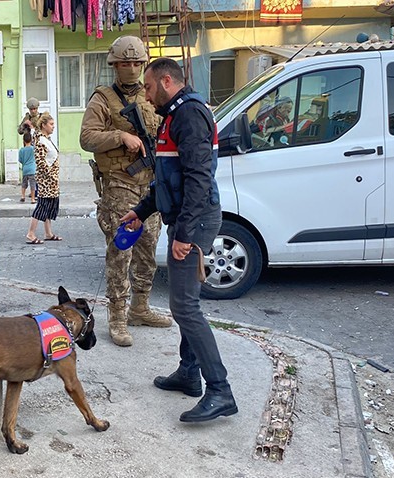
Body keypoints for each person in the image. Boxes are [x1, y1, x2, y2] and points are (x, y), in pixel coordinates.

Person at [119, 57, 237, 423]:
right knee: (187, 302)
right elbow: (169, 180)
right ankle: (189, 373)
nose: (147, 95)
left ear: (167, 81)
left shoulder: (189, 115)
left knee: (184, 306)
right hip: (189, 217)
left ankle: (220, 390)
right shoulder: (174, 115)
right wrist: (141, 210)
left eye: (150, 87)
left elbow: (199, 178)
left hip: (196, 220)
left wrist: (184, 234)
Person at [79, 35, 170, 347]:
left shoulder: (152, 97)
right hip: (119, 185)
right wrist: (119, 136)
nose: (130, 68)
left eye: (135, 63)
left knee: (148, 250)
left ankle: (140, 308)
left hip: (150, 185)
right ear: (114, 65)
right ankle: (117, 318)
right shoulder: (103, 99)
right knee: (121, 253)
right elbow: (87, 137)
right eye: (124, 63)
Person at [25, 113, 62, 244]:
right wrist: (50, 175)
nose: (53, 127)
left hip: (51, 180)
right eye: (51, 124)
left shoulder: (46, 138)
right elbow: (40, 161)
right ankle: (30, 233)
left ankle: (48, 233)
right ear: (43, 125)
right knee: (42, 206)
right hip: (46, 180)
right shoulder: (40, 140)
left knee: (49, 206)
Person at [18, 132, 37, 203]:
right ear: (31, 140)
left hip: (25, 169)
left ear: (23, 140)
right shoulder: (33, 149)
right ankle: (32, 199)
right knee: (32, 184)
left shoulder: (21, 150)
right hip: (32, 169)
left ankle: (23, 196)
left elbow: (20, 160)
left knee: (24, 183)